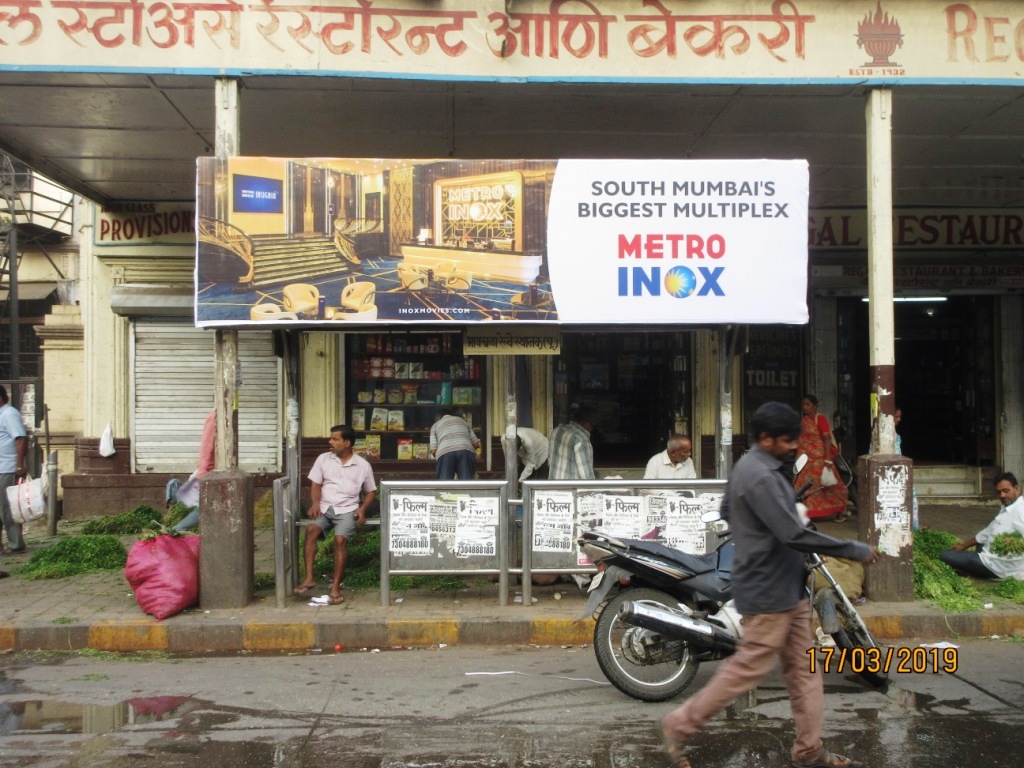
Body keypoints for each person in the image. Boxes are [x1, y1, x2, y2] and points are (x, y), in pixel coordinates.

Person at [661, 402, 879, 768]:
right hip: (768, 591)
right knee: (747, 669)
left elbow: (732, 511)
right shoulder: (760, 475)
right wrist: (853, 548)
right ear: (766, 439)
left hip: (785, 587)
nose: (795, 445)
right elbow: (792, 533)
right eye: (788, 440)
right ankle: (679, 725)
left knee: (805, 670)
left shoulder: (752, 466)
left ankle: (810, 750)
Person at [294, 425, 376, 604]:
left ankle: (336, 587)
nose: (330, 442)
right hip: (324, 507)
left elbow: (371, 492)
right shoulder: (323, 459)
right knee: (311, 530)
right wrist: (315, 503)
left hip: (348, 509)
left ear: (347, 443)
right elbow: (315, 484)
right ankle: (309, 578)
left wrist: (362, 509)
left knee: (340, 541)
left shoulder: (362, 465)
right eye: (331, 439)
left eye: (335, 439)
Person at [939, 473, 1024, 580]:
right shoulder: (1008, 507)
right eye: (999, 492)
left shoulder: (1020, 511)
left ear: (1017, 489)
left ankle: (984, 574)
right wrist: (963, 546)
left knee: (945, 555)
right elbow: (986, 532)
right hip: (994, 557)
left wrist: (1013, 541)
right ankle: (977, 568)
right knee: (980, 544)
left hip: (1000, 566)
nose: (1002, 495)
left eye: (1006, 491)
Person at [795, 394, 849, 522]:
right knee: (804, 488)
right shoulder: (803, 420)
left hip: (820, 460)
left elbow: (826, 438)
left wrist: (827, 459)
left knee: (831, 486)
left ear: (815, 405)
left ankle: (843, 510)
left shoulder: (820, 419)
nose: (805, 407)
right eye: (803, 404)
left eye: (808, 404)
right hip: (806, 461)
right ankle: (805, 513)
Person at [165, 410, 217, 532]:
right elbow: (207, 446)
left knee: (203, 506)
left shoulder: (219, 417)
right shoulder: (215, 418)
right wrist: (203, 471)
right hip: (207, 473)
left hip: (205, 472)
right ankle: (175, 530)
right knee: (203, 508)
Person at [1, 384, 28, 555]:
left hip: (7, 467)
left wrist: (19, 465)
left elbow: (20, 439)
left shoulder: (9, 414)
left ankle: (16, 544)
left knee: (6, 508)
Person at [547, 403, 597, 480]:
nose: (592, 429)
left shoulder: (557, 430)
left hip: (553, 486)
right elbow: (586, 476)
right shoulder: (581, 440)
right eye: (593, 425)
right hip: (571, 490)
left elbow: (550, 460)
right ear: (585, 423)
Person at [429, 408, 480, 480]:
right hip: (465, 450)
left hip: (445, 452)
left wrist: (439, 458)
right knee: (467, 482)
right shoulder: (463, 421)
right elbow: (476, 443)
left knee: (445, 483)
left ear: (438, 418)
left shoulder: (435, 425)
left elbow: (434, 450)